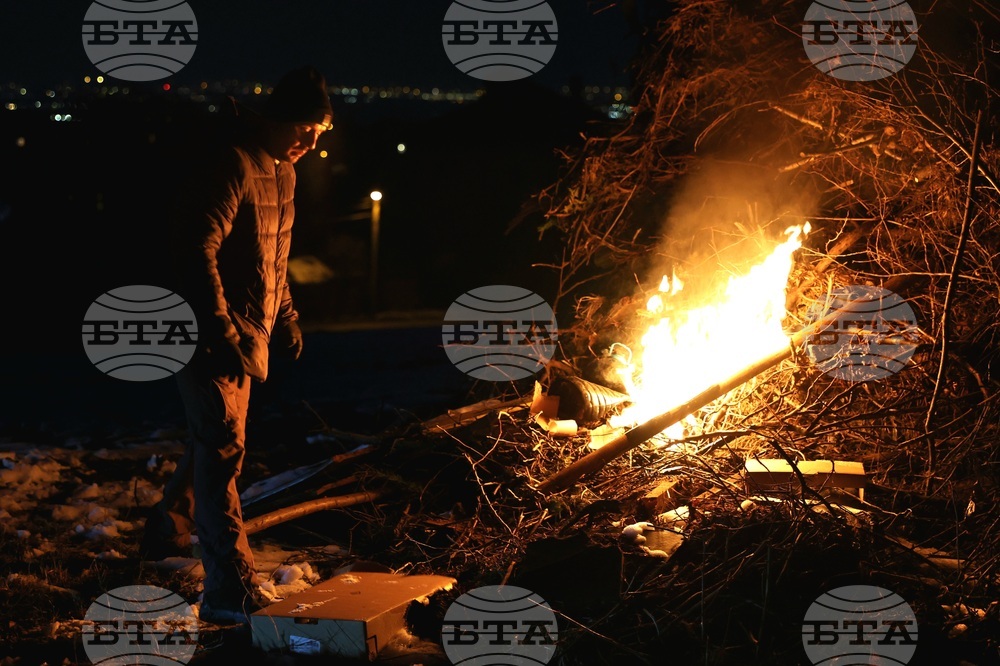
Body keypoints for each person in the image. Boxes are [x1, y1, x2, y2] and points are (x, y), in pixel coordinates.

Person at [139, 65, 333, 625]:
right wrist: (219, 327)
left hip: (248, 333)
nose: (311, 141)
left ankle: (166, 531)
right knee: (223, 447)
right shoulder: (231, 164)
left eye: (320, 131)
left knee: (214, 439)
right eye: (304, 127)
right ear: (275, 120)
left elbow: (275, 255)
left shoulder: (283, 174)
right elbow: (195, 247)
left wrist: (288, 314)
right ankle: (228, 588)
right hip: (207, 333)